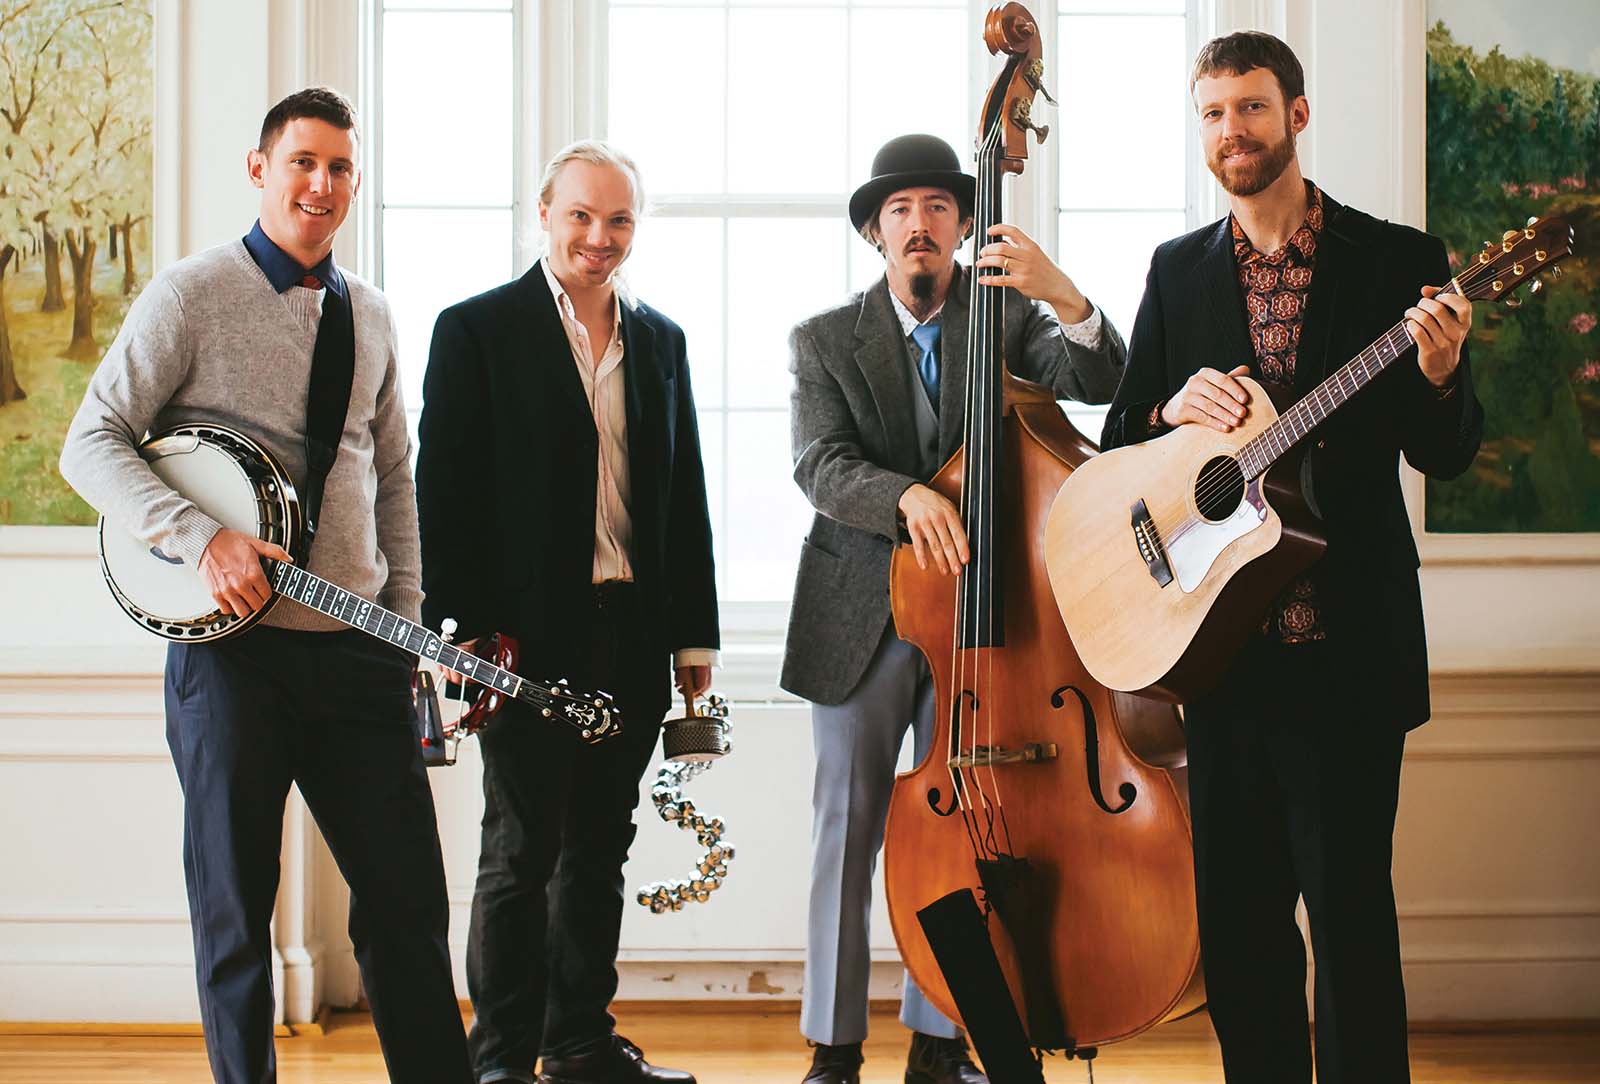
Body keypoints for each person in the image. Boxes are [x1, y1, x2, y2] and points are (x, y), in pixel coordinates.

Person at [58, 87, 471, 1084]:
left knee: (408, 910)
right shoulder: (188, 295)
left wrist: (407, 634)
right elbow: (89, 443)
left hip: (360, 658)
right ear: (260, 168)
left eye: (341, 168)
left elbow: (395, 479)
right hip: (230, 660)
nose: (322, 184)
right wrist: (202, 538)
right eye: (303, 162)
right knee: (236, 915)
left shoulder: (374, 315)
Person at [1099, 32, 1483, 1084]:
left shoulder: (1397, 260)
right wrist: (1167, 409)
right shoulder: (1177, 269)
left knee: (1351, 925)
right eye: (1213, 113)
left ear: (1297, 116)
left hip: (1347, 655)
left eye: (1252, 108)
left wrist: (1440, 376)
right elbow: (1120, 441)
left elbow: (1447, 453)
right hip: (1221, 659)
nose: (1232, 130)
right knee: (1241, 934)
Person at [780, 133, 1128, 1084]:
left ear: (965, 224)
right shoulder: (823, 338)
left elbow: (1103, 385)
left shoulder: (1008, 318)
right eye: (899, 210)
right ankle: (833, 1049)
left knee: (968, 828)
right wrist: (906, 497)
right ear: (875, 232)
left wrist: (1066, 297)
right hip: (859, 618)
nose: (918, 224)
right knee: (846, 832)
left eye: (938, 206)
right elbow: (819, 463)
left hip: (983, 617)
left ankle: (941, 1041)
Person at [415, 140, 719, 1084]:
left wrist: (693, 637)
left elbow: (683, 495)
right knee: (520, 852)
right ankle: (502, 1058)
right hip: (521, 641)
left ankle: (579, 1043)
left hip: (631, 629)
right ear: (543, 213)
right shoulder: (475, 331)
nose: (600, 236)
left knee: (599, 849)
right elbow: (442, 492)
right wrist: (461, 633)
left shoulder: (661, 342)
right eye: (581, 215)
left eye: (618, 220)